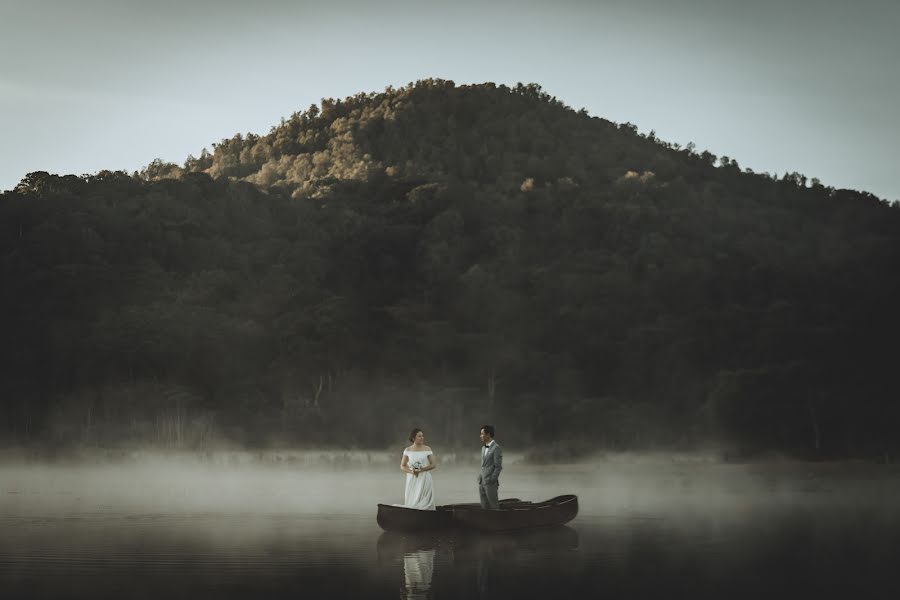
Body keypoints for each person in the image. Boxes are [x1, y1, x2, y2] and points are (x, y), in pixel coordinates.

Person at [400, 428, 436, 510]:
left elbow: (433, 464)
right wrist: (411, 472)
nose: (422, 438)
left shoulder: (427, 449)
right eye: (419, 436)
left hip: (425, 478)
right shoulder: (408, 450)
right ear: (413, 438)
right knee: (413, 501)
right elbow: (402, 466)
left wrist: (421, 469)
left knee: (424, 502)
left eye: (422, 436)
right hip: (412, 478)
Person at [477, 424, 502, 509]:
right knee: (484, 506)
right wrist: (480, 478)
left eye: (482, 434)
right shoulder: (483, 448)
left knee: (494, 506)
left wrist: (492, 479)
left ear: (488, 434)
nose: (480, 436)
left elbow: (498, 467)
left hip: (490, 483)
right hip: (482, 482)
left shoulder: (496, 448)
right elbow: (483, 465)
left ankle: (497, 521)